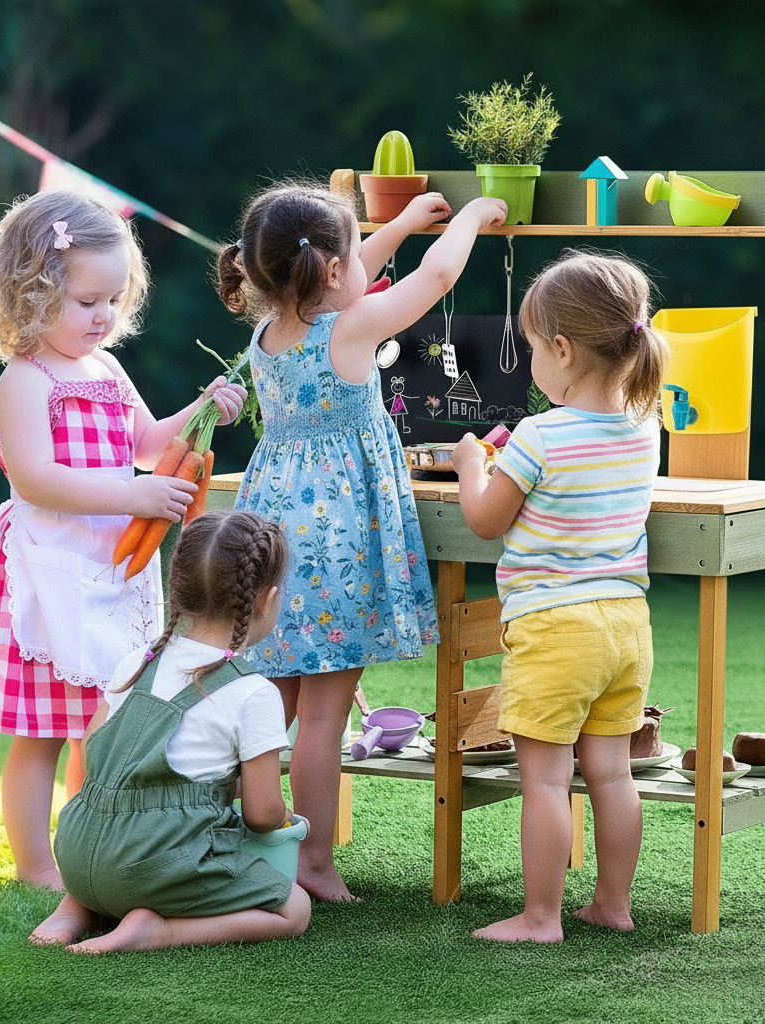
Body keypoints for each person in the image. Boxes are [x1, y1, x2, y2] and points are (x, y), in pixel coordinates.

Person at [0, 189, 247, 890]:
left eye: (112, 300)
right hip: (49, 577)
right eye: (85, 302)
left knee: (100, 728)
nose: (102, 316)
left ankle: (85, 846)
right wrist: (132, 494)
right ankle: (35, 867)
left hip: (110, 572)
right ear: (33, 295)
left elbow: (146, 441)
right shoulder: (24, 382)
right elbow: (39, 480)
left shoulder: (105, 369)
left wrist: (203, 412)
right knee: (39, 734)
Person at [216, 181, 507, 900]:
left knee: (270, 701)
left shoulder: (271, 327)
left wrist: (401, 222)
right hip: (331, 537)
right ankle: (311, 863)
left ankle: (224, 840)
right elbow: (436, 278)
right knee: (324, 713)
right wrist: (470, 215)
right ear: (333, 271)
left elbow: (342, 273)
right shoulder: (349, 330)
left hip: (272, 523)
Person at [453, 250, 670, 942]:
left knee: (545, 781)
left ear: (563, 350)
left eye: (531, 349)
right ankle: (613, 904)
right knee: (611, 776)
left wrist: (468, 467)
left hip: (555, 628)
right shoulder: (645, 427)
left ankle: (540, 917)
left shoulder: (538, 435)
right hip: (626, 628)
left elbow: (487, 519)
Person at [30, 509, 311, 952]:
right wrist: (285, 818)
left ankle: (76, 906)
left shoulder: (136, 662)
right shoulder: (253, 692)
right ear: (268, 599)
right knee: (295, 909)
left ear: (177, 586)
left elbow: (98, 753)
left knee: (121, 845)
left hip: (77, 850)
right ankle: (159, 930)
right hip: (152, 867)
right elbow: (261, 813)